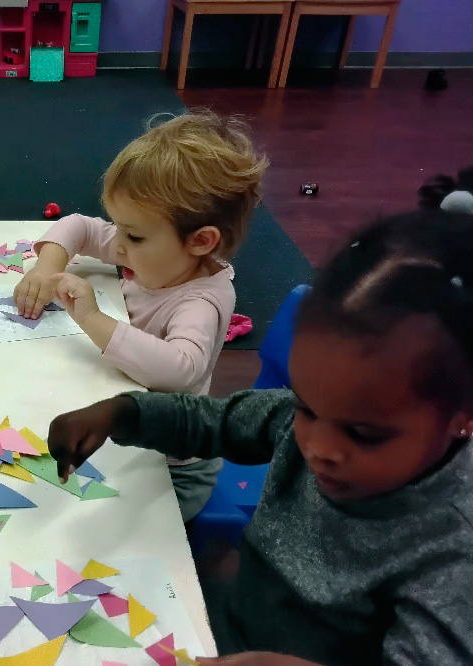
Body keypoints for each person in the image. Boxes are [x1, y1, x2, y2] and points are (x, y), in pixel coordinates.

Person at [46, 210, 473, 666]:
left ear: (462, 418)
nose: (317, 447)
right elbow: (211, 421)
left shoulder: (452, 552)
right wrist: (124, 411)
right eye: (307, 405)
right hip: (226, 629)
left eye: (363, 433)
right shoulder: (306, 422)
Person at [14, 111, 268, 521]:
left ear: (201, 241)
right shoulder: (160, 250)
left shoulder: (200, 301)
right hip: (124, 429)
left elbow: (179, 371)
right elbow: (80, 226)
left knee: (78, 531)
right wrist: (47, 267)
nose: (118, 245)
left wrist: (92, 317)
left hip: (172, 471)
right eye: (119, 227)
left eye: (132, 235)